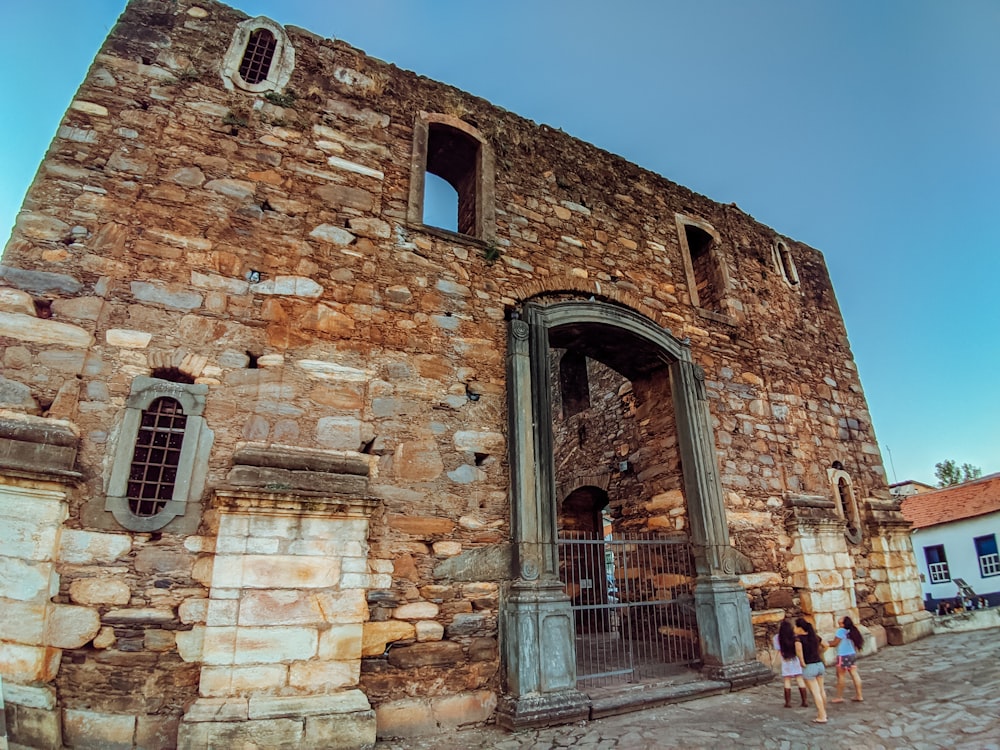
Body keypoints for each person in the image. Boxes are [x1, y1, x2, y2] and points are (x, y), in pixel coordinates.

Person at [795, 617, 828, 723]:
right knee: (821, 690)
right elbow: (826, 645)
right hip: (819, 664)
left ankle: (822, 716)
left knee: (815, 692)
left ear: (799, 628)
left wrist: (802, 663)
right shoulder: (815, 636)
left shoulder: (798, 639)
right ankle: (823, 712)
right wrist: (821, 652)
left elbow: (799, 655)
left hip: (809, 666)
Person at [828, 615, 864, 703]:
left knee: (841, 676)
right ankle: (859, 695)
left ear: (844, 624)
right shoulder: (852, 631)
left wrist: (826, 643)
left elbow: (835, 643)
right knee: (854, 674)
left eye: (840, 623)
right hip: (852, 654)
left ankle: (839, 696)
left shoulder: (841, 631)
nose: (839, 624)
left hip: (843, 655)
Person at [772, 620, 808, 708]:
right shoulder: (795, 637)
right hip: (795, 659)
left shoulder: (777, 638)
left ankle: (788, 702)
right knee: (799, 679)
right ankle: (804, 701)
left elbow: (778, 650)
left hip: (785, 660)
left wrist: (774, 661)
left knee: (787, 680)